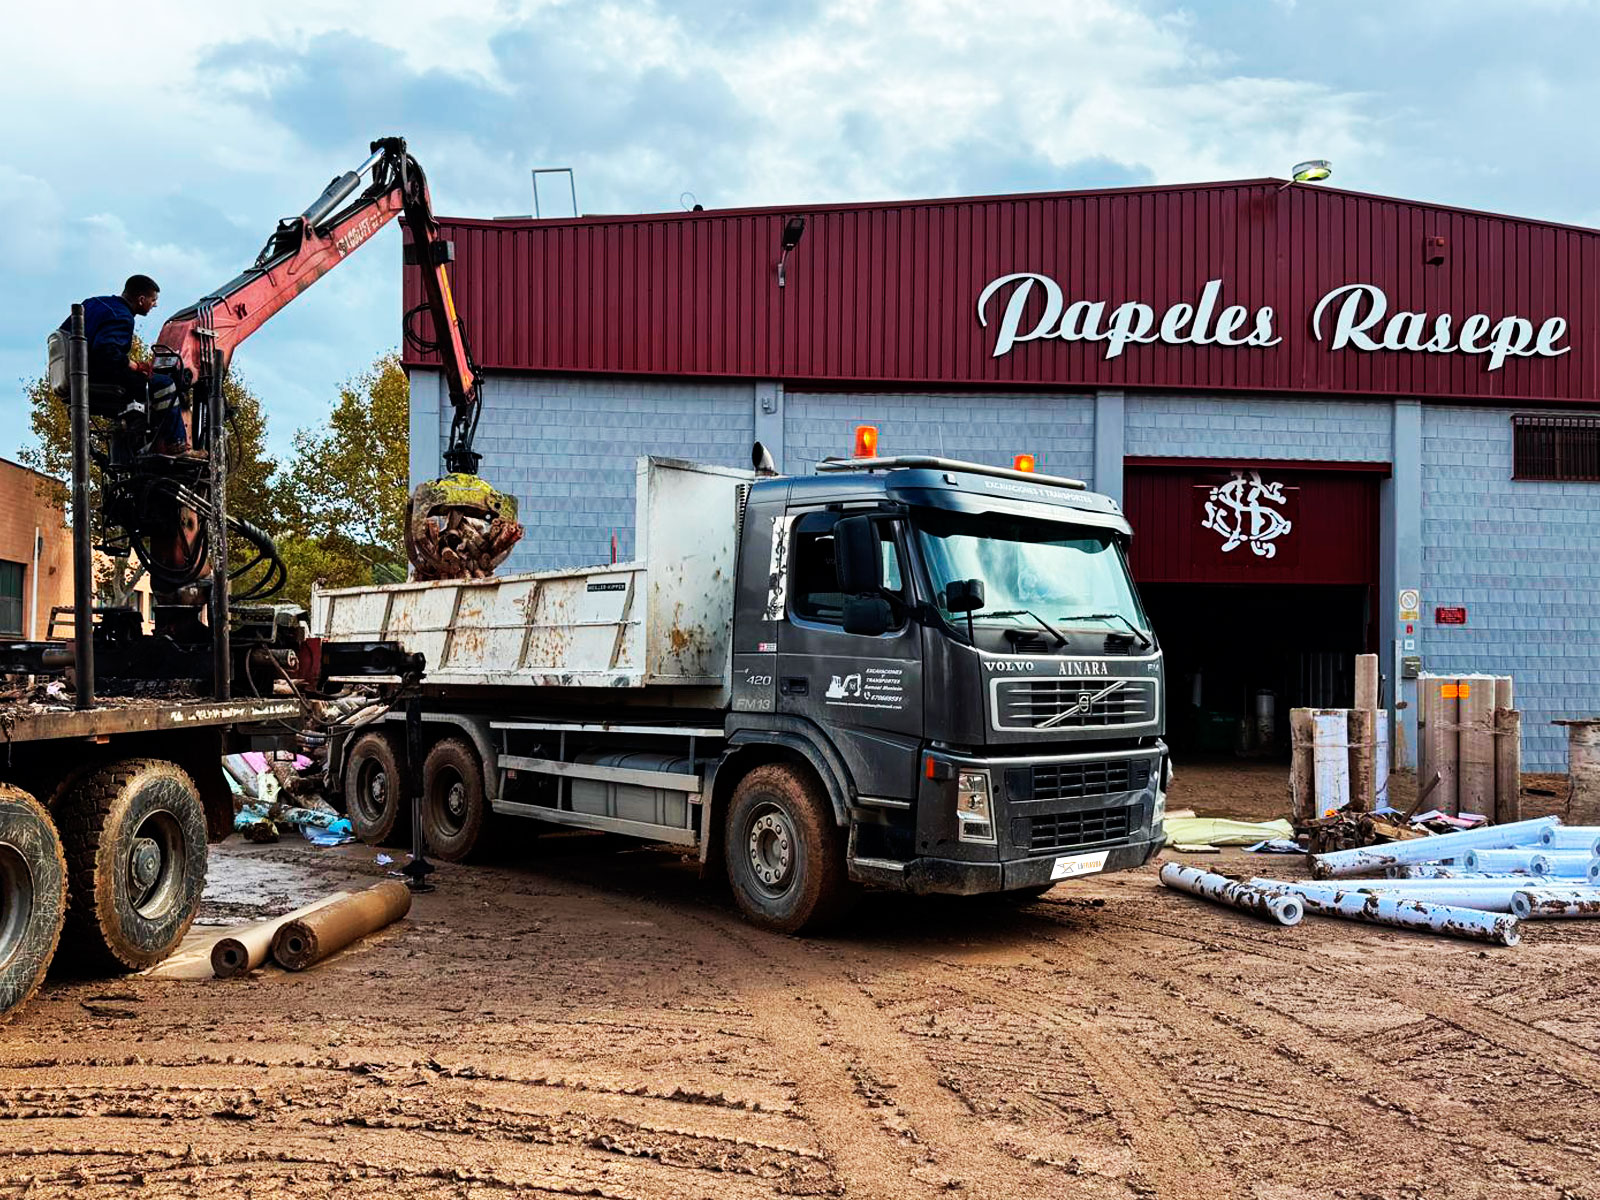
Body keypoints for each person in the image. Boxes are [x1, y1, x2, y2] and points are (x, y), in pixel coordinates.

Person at [63, 275, 203, 460]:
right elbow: (107, 351)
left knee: (144, 384)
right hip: (98, 373)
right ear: (141, 300)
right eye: (153, 300)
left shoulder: (93, 303)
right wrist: (135, 365)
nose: (155, 305)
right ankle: (176, 445)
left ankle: (137, 435)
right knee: (165, 384)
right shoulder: (122, 317)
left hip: (79, 372)